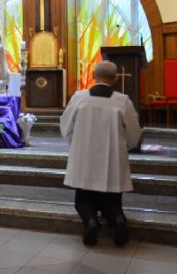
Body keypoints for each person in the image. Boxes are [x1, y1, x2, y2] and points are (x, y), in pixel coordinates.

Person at [60, 61, 142, 247]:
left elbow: (66, 125)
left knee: (83, 199)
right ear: (115, 78)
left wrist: (76, 143)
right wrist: (125, 147)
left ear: (93, 76)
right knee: (112, 200)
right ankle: (118, 219)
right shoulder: (122, 101)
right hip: (112, 159)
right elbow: (134, 132)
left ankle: (90, 221)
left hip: (84, 158)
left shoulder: (79, 98)